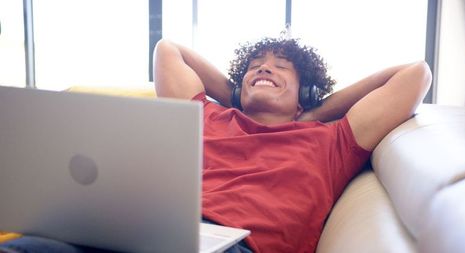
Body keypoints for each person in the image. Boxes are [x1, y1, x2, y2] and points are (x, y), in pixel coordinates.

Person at [0, 36, 431, 253]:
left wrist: (315, 112)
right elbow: (169, 50)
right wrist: (239, 96)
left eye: (281, 68)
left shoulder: (331, 139)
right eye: (255, 67)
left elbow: (416, 73)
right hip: (149, 235)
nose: (265, 69)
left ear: (306, 92)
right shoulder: (205, 114)